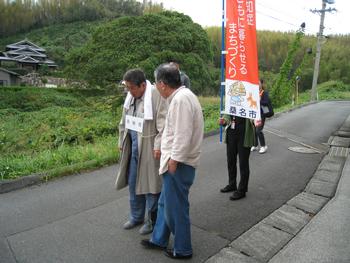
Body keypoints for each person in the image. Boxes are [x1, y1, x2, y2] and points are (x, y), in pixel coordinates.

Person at [141, 63, 204, 259]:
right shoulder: (181, 97)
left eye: (156, 83)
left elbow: (182, 134)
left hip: (179, 163)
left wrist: (174, 159)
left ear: (161, 84)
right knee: (165, 203)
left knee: (175, 208)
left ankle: (183, 249)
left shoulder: (180, 100)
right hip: (177, 161)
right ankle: (159, 239)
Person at [115, 69, 167, 235]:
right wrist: (121, 140)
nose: (129, 91)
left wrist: (158, 146)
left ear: (143, 85)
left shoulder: (155, 96)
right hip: (133, 148)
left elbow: (163, 125)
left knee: (151, 187)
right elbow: (123, 121)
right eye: (128, 88)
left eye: (132, 88)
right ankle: (136, 216)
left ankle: (151, 221)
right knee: (133, 184)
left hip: (149, 148)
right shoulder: (131, 97)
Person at [219, 113, 255, 200]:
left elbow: (256, 114)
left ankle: (242, 190)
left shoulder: (250, 99)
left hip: (244, 135)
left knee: (243, 163)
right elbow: (227, 114)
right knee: (230, 160)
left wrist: (256, 120)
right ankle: (232, 184)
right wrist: (224, 121)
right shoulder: (232, 99)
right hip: (231, 133)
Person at [251, 79, 269, 154]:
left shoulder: (264, 93)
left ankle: (263, 146)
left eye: (259, 83)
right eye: (256, 83)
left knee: (258, 130)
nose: (257, 85)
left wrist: (259, 101)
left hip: (261, 114)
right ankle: (255, 145)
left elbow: (266, 102)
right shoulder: (254, 93)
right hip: (254, 114)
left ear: (262, 84)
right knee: (254, 131)